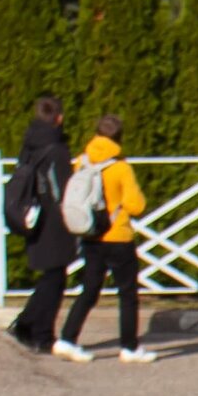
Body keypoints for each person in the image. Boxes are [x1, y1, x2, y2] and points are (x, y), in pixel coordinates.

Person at [55, 117, 151, 363]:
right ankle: (129, 348)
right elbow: (136, 205)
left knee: (89, 289)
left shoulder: (82, 162)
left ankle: (67, 339)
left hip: (91, 234)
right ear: (119, 138)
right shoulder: (121, 168)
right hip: (118, 236)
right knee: (127, 293)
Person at [3, 94, 73, 354]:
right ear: (59, 118)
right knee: (55, 278)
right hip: (54, 220)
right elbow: (61, 190)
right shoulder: (56, 148)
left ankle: (28, 325)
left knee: (51, 276)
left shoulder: (30, 143)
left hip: (32, 214)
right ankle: (39, 333)